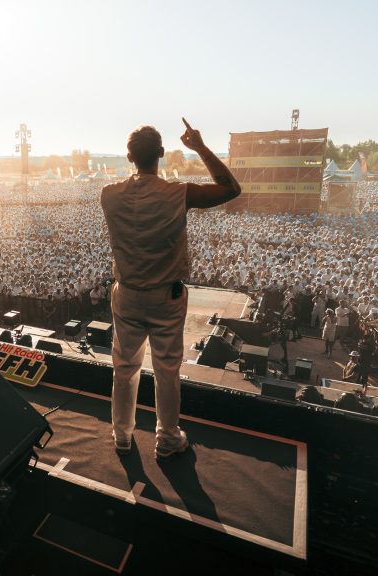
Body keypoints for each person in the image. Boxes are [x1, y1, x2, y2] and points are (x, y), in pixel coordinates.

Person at [100, 120, 240, 459]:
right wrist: (200, 148)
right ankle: (167, 439)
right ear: (162, 153)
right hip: (166, 296)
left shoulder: (109, 194)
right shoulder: (178, 193)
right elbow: (230, 188)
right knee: (166, 371)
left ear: (129, 156)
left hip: (126, 294)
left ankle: (122, 435)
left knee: (124, 369)